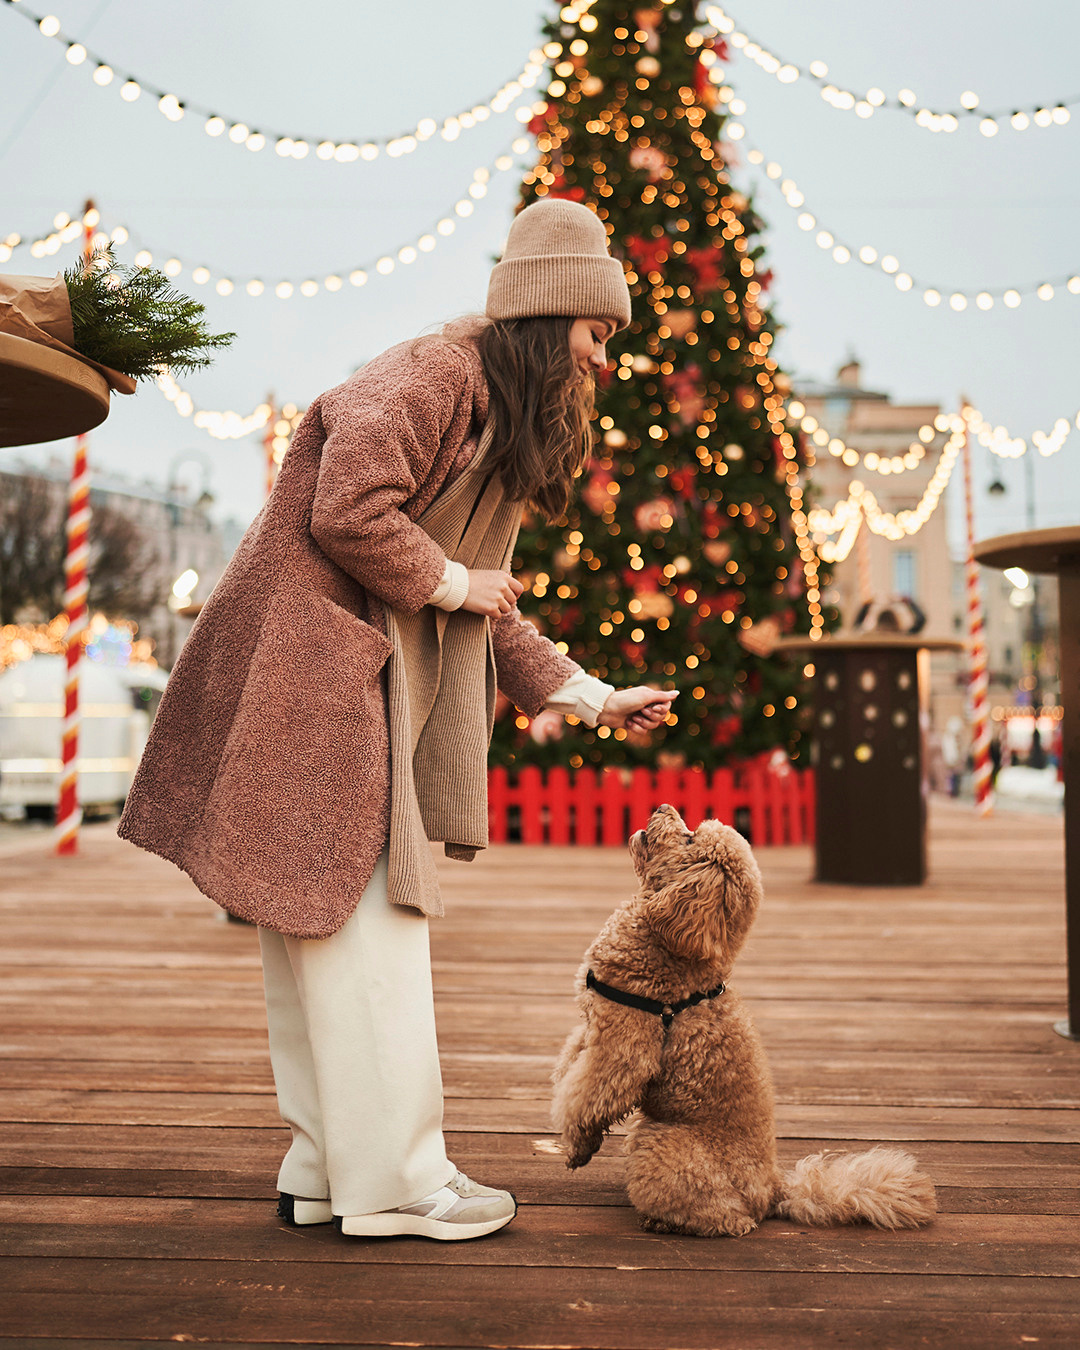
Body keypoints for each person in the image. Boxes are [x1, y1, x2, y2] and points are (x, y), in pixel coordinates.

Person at [117, 198, 676, 1241]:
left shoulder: (488, 415)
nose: (603, 362)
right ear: (555, 315)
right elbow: (349, 507)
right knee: (367, 927)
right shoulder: (438, 372)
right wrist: (453, 581)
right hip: (319, 675)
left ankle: (327, 1168)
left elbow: (485, 595)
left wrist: (590, 696)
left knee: (318, 928)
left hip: (336, 678)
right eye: (600, 336)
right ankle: (402, 1185)